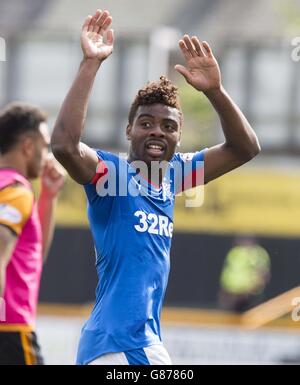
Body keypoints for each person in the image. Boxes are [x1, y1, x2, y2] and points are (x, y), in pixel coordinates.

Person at [51, 9, 261, 365]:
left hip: (134, 344)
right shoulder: (113, 177)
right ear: (128, 131)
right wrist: (91, 62)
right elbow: (65, 146)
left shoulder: (174, 175)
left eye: (168, 126)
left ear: (178, 138)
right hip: (119, 346)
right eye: (146, 123)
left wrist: (216, 92)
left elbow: (245, 148)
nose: (157, 132)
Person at [0, 102, 65, 365]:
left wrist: (48, 198)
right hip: (11, 332)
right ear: (28, 146)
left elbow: (30, 260)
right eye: (44, 145)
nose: (47, 154)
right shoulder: (17, 191)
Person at [219, 236, 271, 313]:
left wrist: (253, 288)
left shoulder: (257, 254)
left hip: (249, 294)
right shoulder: (235, 252)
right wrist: (225, 290)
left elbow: (262, 273)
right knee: (232, 319)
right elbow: (229, 272)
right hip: (233, 294)